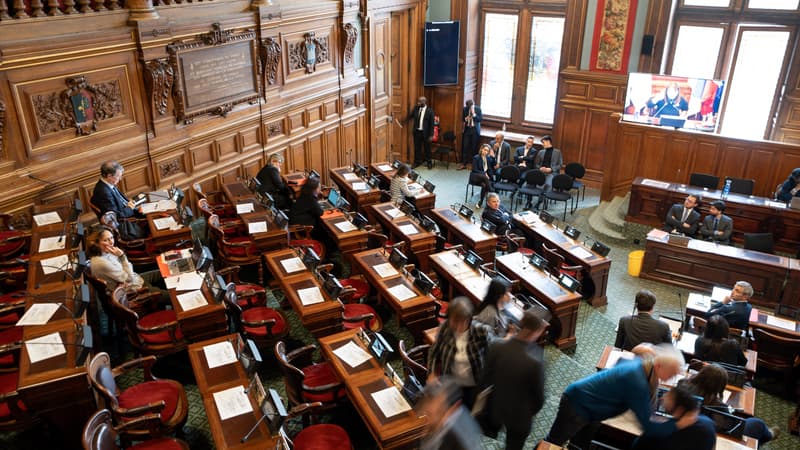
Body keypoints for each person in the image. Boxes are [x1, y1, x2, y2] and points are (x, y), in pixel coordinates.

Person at [545, 344, 692, 448]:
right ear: (659, 366)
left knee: (579, 444)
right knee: (552, 443)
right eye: (672, 374)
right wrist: (678, 424)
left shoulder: (644, 363)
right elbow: (648, 426)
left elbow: (627, 358)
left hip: (592, 409)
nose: (672, 379)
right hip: (577, 406)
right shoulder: (637, 380)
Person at [479, 309, 548, 450]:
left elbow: (485, 378)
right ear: (539, 330)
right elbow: (539, 399)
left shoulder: (497, 345)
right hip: (520, 417)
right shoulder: (536, 360)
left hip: (496, 408)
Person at [680, 364, 779, 445]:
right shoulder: (717, 406)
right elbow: (727, 428)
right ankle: (768, 436)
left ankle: (761, 441)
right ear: (719, 387)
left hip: (684, 430)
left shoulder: (682, 385)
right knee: (757, 424)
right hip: (711, 439)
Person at [427, 296, 493, 408]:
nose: (458, 327)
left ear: (470, 319)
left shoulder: (481, 331)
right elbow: (434, 351)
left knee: (469, 411)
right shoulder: (445, 328)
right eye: (455, 322)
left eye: (463, 322)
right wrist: (432, 373)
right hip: (451, 381)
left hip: (474, 383)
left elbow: (493, 354)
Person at [88, 228, 170, 304]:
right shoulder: (101, 263)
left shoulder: (107, 252)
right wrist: (122, 256)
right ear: (96, 243)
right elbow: (129, 278)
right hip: (134, 290)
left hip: (136, 279)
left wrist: (123, 264)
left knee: (168, 270)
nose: (111, 242)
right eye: (106, 240)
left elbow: (128, 273)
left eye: (112, 238)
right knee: (172, 296)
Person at [631, 384, 716, 450]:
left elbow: (637, 446)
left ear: (679, 409)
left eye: (669, 397)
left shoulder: (661, 431)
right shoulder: (708, 423)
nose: (663, 397)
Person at [417, 377, 483, 450]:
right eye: (430, 399)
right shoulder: (448, 417)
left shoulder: (459, 440)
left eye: (437, 403)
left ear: (453, 408)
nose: (427, 408)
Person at [408, 96, 435, 169]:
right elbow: (410, 116)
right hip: (417, 132)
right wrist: (404, 120)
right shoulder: (416, 109)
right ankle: (417, 162)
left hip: (426, 134)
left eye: (419, 101)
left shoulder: (430, 111)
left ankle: (429, 162)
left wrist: (431, 135)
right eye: (418, 101)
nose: (418, 103)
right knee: (417, 148)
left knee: (427, 149)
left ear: (424, 102)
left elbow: (432, 124)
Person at [470, 144, 495, 208]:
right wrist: (484, 173)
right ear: (481, 149)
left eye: (487, 151)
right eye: (485, 150)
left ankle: (480, 202)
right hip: (475, 176)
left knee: (484, 185)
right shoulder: (476, 157)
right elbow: (474, 169)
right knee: (485, 177)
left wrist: (493, 157)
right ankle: (491, 190)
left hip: (484, 179)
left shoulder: (488, 158)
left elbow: (493, 165)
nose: (486, 152)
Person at [459, 100, 482, 171]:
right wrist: (466, 119)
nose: (470, 108)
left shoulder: (478, 109)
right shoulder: (465, 109)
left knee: (474, 148)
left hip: (475, 130)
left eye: (471, 106)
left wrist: (474, 114)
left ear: (473, 104)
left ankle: (473, 164)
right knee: (465, 147)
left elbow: (480, 119)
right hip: (467, 130)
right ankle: (464, 163)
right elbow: (463, 119)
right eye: (469, 107)